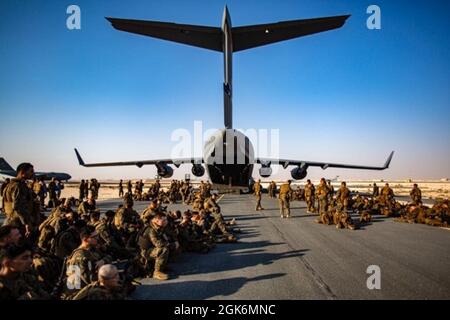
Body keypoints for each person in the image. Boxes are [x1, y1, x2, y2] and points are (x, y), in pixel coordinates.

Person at [2, 163, 38, 240]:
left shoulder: (10, 185)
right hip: (19, 222)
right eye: (31, 171)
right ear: (22, 173)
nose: (33, 173)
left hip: (11, 218)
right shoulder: (18, 186)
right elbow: (17, 206)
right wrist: (26, 223)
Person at [138, 212, 179, 280]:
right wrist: (173, 245)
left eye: (166, 220)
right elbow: (159, 244)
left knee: (171, 246)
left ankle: (162, 266)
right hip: (145, 252)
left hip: (152, 249)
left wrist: (174, 242)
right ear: (156, 220)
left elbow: (171, 234)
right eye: (163, 220)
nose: (166, 222)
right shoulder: (151, 230)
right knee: (163, 249)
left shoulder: (159, 227)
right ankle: (157, 272)